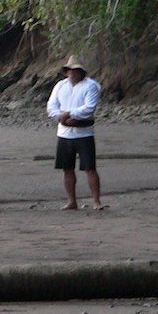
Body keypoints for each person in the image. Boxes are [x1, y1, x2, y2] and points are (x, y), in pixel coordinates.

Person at [46, 54, 103, 210]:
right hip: (64, 133)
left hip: (84, 133)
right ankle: (72, 201)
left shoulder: (90, 86)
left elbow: (89, 108)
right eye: (70, 70)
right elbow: (51, 107)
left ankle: (96, 201)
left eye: (76, 70)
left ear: (81, 72)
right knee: (67, 168)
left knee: (90, 168)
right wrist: (61, 117)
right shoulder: (60, 86)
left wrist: (69, 114)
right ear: (66, 71)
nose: (73, 73)